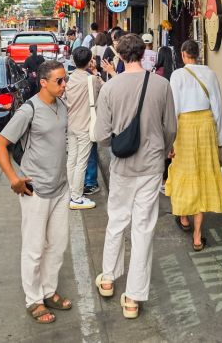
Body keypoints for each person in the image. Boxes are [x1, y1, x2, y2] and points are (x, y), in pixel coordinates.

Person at [94, 34, 177, 319]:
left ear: (118, 55)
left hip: (122, 165)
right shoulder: (161, 85)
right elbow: (171, 129)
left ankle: (108, 278)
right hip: (152, 165)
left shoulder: (109, 88)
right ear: (144, 54)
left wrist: (119, 140)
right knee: (143, 228)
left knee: (117, 220)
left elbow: (101, 136)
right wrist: (163, 150)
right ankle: (133, 297)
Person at [0, 61, 72, 325]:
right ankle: (33, 299)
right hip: (35, 190)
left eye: (65, 79)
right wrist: (14, 179)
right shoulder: (29, 110)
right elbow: (0, 145)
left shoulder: (62, 106)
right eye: (59, 81)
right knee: (34, 248)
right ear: (44, 82)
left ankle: (49, 291)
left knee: (58, 245)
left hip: (60, 187)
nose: (64, 85)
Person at [166, 40, 222, 251]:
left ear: (183, 55)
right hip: (206, 125)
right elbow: (218, 107)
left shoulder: (177, 75)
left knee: (184, 171)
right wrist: (220, 139)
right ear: (198, 54)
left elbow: (172, 108)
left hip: (185, 126)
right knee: (203, 175)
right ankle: (197, 236)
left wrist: (170, 140)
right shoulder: (209, 73)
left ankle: (184, 217)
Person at [63, 47, 103, 210]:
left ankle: (70, 192)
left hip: (71, 124)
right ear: (89, 61)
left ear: (73, 60)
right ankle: (77, 197)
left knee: (72, 159)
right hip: (85, 126)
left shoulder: (68, 79)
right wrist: (96, 72)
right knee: (81, 162)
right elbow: (106, 89)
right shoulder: (92, 79)